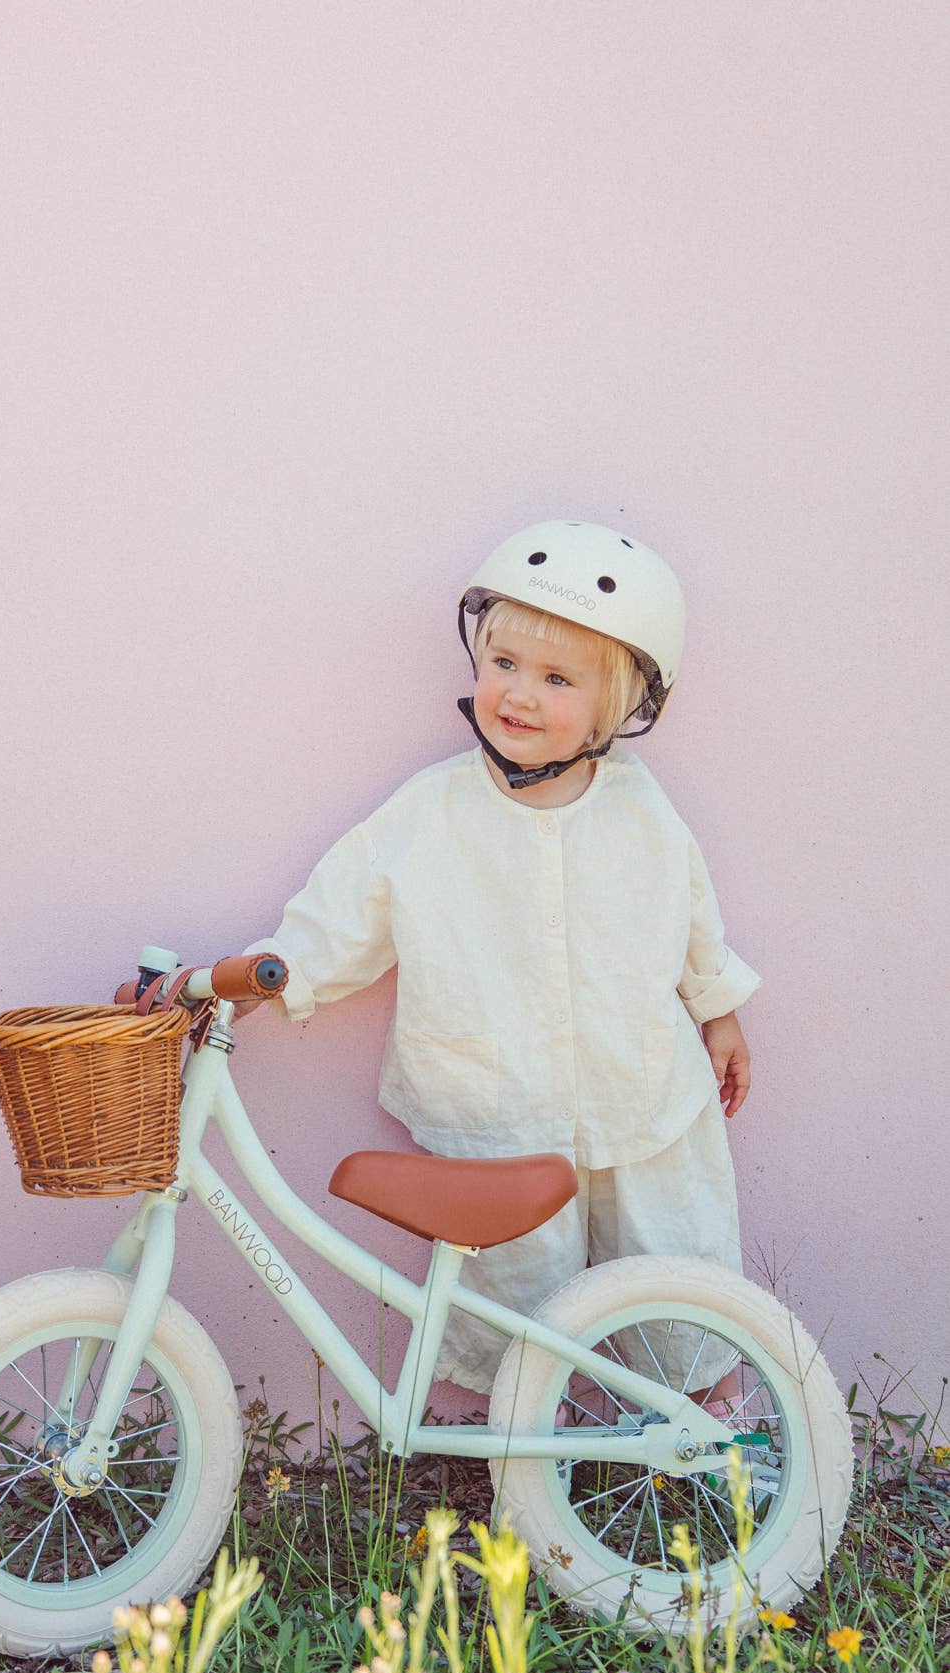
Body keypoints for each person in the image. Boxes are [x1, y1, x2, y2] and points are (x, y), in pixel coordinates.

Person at [250, 519, 757, 1407]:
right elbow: (338, 917)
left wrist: (717, 1009)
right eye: (504, 664)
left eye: (557, 678)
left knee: (676, 1278)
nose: (518, 694)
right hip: (499, 1111)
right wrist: (258, 978)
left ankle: (705, 1446)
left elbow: (689, 912)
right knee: (515, 1302)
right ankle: (527, 1454)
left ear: (611, 708)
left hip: (639, 1094)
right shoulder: (426, 811)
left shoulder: (640, 808)